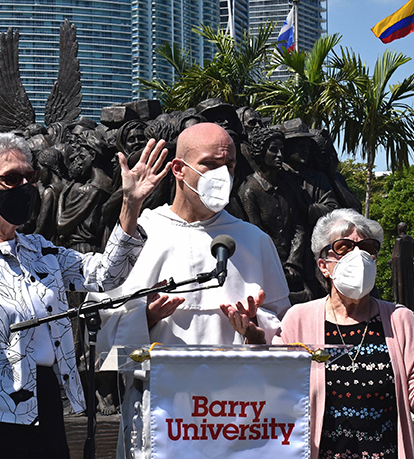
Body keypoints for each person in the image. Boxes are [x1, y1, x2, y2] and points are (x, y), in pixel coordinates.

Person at [0, 132, 170, 459]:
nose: (25, 185)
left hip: (46, 399)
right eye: (11, 178)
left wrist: (130, 204)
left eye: (30, 176)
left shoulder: (41, 250)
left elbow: (106, 275)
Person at [222, 208, 414, 459]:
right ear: (323, 265)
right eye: (344, 247)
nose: (358, 256)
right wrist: (257, 342)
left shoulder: (399, 319)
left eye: (366, 248)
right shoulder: (299, 319)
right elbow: (275, 393)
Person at [93, 122, 290, 458]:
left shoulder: (255, 241)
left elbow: (286, 333)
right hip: (159, 413)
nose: (222, 175)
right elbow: (105, 344)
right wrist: (146, 317)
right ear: (178, 170)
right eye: (210, 165)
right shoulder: (140, 234)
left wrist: (256, 329)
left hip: (233, 417)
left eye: (228, 167)